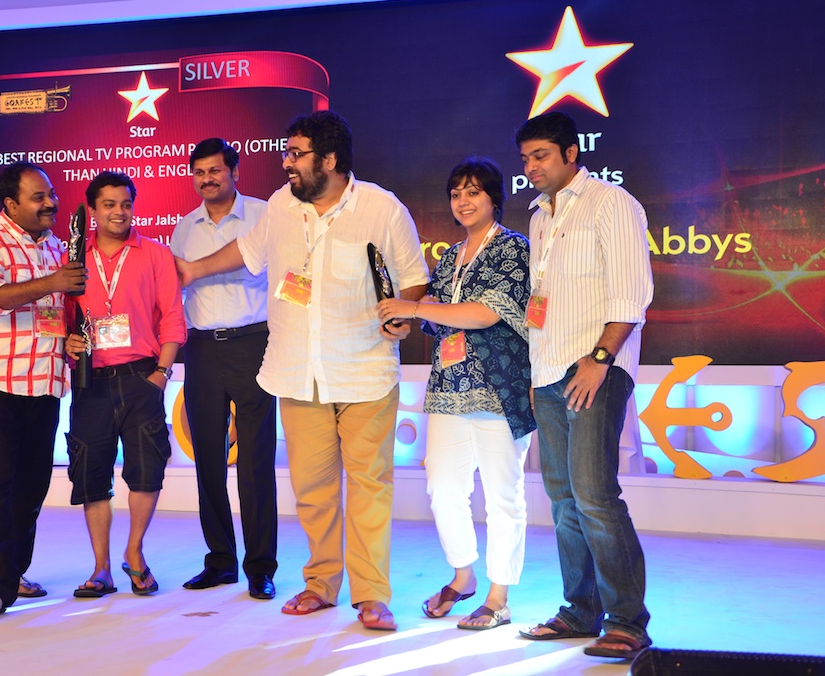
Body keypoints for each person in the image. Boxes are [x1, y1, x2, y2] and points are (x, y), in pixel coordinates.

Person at [176, 110, 429, 631]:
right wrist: (194, 269)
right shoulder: (280, 206)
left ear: (329, 160)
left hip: (363, 370)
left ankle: (371, 595)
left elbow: (413, 278)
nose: (286, 163)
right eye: (286, 153)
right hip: (297, 371)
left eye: (296, 154)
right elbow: (247, 251)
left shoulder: (381, 208)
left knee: (369, 486)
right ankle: (320, 583)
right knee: (313, 489)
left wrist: (405, 316)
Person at [513, 111, 654, 658]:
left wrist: (599, 359)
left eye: (541, 156)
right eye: (526, 159)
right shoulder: (539, 216)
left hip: (595, 368)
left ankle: (627, 621)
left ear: (572, 153)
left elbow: (631, 293)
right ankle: (580, 610)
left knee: (595, 495)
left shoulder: (611, 203)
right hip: (549, 372)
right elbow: (540, 304)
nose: (531, 167)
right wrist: (535, 373)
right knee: (564, 498)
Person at [378, 157, 536, 631]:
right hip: (449, 387)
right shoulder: (450, 256)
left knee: (503, 495)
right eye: (455, 193)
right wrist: (405, 319)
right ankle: (463, 575)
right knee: (443, 488)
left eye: (473, 192)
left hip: (500, 387)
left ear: (494, 198)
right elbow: (437, 316)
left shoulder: (513, 248)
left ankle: (498, 597)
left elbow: (485, 314)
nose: (463, 201)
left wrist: (414, 307)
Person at [0, 160, 87, 619]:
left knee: (32, 485)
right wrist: (53, 282)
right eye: (39, 197)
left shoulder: (58, 248)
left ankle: (14, 571)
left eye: (51, 194)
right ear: (11, 204)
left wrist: (71, 338)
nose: (51, 202)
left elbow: (62, 311)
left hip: (45, 381)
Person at [65, 171, 185, 598]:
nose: (119, 212)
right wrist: (67, 340)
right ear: (92, 210)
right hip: (91, 382)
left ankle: (134, 552)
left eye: (126, 204)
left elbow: (173, 317)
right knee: (91, 476)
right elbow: (61, 317)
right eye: (109, 205)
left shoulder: (155, 254)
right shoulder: (73, 259)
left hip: (142, 378)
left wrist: (161, 375)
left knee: (147, 472)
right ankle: (101, 569)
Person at [170, 139, 279, 600]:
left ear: (235, 171)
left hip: (254, 343)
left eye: (215, 170)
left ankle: (260, 567)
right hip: (201, 350)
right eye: (199, 172)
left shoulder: (264, 216)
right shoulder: (183, 229)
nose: (207, 179)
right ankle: (220, 561)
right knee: (208, 462)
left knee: (256, 463)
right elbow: (173, 294)